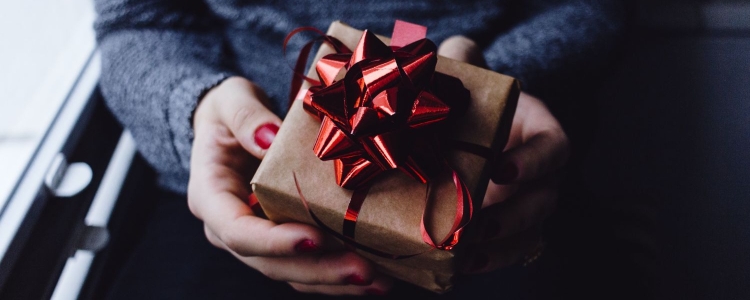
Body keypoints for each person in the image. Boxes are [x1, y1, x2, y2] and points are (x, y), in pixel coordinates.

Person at [94, 0, 627, 298]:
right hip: (238, 180)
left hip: (496, 187)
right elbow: (140, 20)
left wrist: (492, 96)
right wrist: (192, 106)